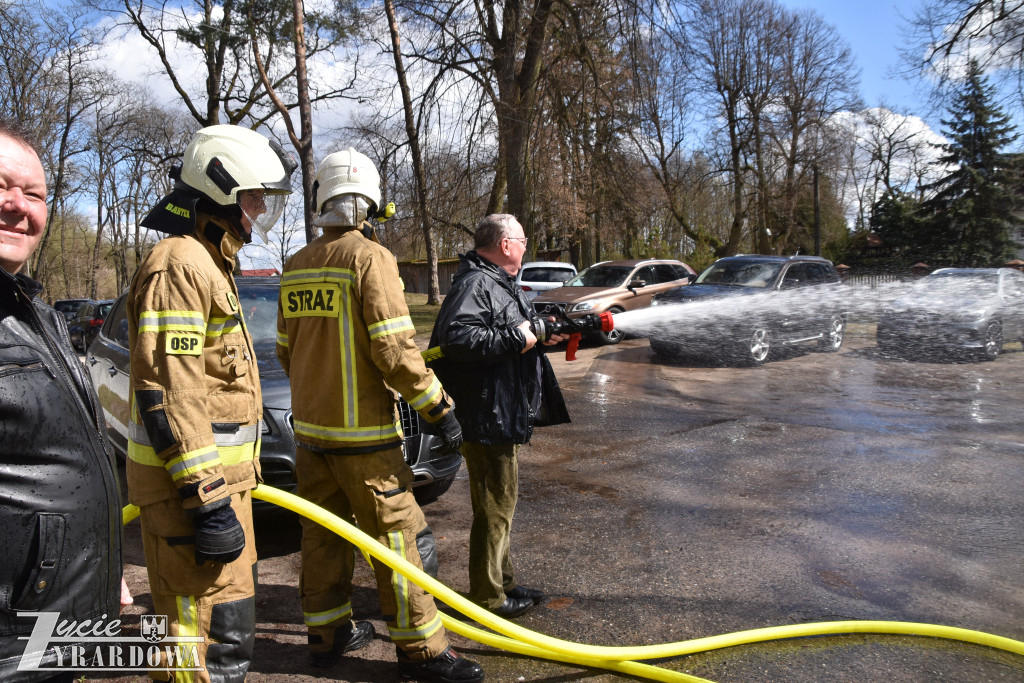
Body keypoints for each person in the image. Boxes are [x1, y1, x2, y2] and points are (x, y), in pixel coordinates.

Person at [276, 148, 484, 683]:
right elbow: (395, 353)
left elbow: (284, 350)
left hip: (311, 440)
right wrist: (438, 408)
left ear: (322, 199)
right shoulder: (371, 260)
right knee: (398, 539)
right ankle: (423, 652)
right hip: (366, 444)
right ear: (368, 203)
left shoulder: (295, 266)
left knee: (321, 538)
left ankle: (326, 635)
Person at [126, 124, 295, 683]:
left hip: (221, 489)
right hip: (190, 496)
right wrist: (206, 498)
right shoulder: (178, 264)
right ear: (219, 190)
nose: (257, 211)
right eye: (252, 198)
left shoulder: (207, 261)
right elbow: (171, 390)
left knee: (227, 628)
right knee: (191, 639)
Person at [0, 118, 127, 681]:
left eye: (34, 194)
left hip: (52, 628)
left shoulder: (37, 315)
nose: (17, 206)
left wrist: (101, 563)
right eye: (0, 186)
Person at [427, 214, 570, 619]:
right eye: (523, 241)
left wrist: (544, 334)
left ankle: (503, 582)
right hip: (486, 415)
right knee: (494, 507)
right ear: (506, 244)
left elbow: (514, 337)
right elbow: (457, 340)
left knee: (501, 504)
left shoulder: (498, 283)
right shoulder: (476, 283)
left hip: (501, 411)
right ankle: (488, 598)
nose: (526, 248)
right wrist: (517, 337)